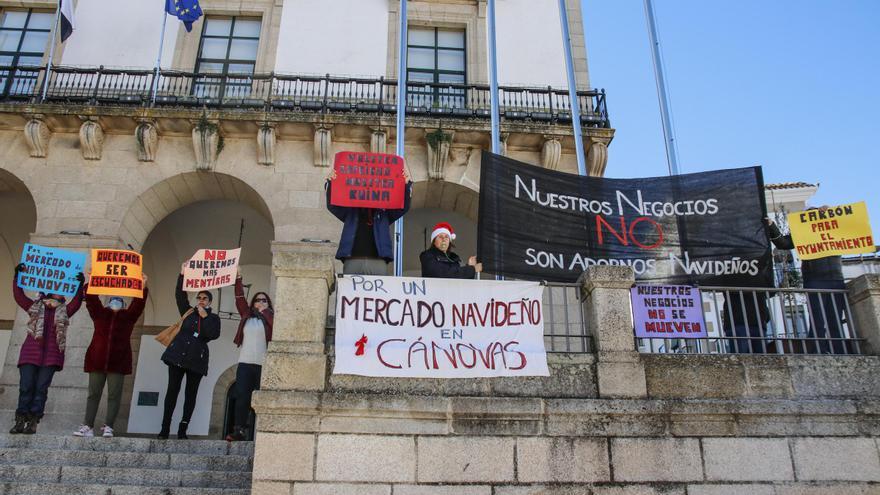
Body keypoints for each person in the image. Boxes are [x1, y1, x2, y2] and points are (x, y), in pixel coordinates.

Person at [10, 263, 85, 434]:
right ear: (50, 291)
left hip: (50, 358)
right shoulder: (35, 307)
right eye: (56, 289)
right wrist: (17, 276)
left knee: (41, 389)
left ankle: (33, 421)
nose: (60, 291)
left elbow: (77, 303)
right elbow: (19, 296)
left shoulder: (65, 311)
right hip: (30, 355)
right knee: (26, 387)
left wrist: (80, 285)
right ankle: (20, 420)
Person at [73, 275, 149, 438]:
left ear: (123, 305)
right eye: (113, 300)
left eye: (119, 301)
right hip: (96, 360)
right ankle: (87, 426)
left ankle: (109, 426)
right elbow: (92, 301)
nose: (115, 302)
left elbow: (138, 304)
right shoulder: (100, 315)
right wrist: (92, 280)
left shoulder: (128, 318)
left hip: (118, 362)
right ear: (108, 303)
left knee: (114, 396)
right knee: (93, 394)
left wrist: (142, 287)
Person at [765, 209, 848, 353]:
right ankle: (818, 352)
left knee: (835, 319)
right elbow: (783, 243)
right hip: (815, 280)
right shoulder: (804, 234)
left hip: (836, 279)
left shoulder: (835, 229)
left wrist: (831, 212)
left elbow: (851, 229)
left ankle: (840, 351)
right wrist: (772, 225)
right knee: (817, 319)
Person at [157, 265, 221, 439]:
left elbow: (213, 334)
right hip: (177, 356)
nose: (201, 299)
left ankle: (182, 429)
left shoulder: (213, 318)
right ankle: (165, 428)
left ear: (209, 302)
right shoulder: (188, 312)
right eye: (199, 297)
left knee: (190, 395)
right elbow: (180, 295)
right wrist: (182, 275)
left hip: (196, 360)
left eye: (205, 298)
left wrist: (205, 317)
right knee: (172, 391)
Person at [325, 168, 413, 275]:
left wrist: (406, 185)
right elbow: (332, 205)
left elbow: (403, 207)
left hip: (378, 262)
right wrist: (331, 182)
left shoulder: (384, 212)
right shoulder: (351, 210)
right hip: (353, 260)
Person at [226, 270, 273, 441]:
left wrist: (265, 312)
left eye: (264, 300)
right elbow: (239, 298)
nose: (260, 302)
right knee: (242, 397)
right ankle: (239, 430)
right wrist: (238, 278)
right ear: (253, 303)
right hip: (245, 362)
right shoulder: (247, 315)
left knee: (261, 397)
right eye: (258, 300)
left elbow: (275, 327)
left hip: (263, 364)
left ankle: (263, 431)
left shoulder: (271, 318)